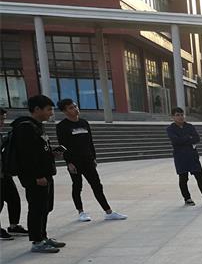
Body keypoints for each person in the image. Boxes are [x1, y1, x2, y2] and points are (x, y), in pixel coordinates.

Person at [55, 99, 127, 222]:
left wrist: (93, 158)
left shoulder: (84, 123)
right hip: (74, 162)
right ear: (65, 111)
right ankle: (81, 212)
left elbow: (90, 142)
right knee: (77, 186)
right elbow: (63, 146)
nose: (75, 109)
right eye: (71, 108)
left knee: (97, 185)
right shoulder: (62, 126)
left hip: (88, 160)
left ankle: (108, 212)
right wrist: (69, 163)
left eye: (75, 106)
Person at [9, 95, 65, 253]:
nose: (51, 113)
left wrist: (52, 153)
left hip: (45, 174)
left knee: (45, 207)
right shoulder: (25, 127)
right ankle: (37, 241)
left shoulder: (37, 126)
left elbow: (39, 150)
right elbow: (27, 156)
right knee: (37, 208)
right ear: (37, 109)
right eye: (49, 109)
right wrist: (38, 176)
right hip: (36, 177)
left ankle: (43, 236)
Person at [167, 107, 202, 206]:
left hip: (192, 156)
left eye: (182, 115)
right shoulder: (170, 129)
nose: (180, 117)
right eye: (177, 115)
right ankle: (187, 199)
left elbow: (197, 138)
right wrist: (188, 138)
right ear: (173, 117)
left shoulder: (190, 126)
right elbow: (175, 141)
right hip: (180, 157)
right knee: (183, 178)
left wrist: (183, 139)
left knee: (201, 177)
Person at [0, 108, 29, 240]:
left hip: (5, 174)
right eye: (0, 119)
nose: (2, 122)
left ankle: (13, 226)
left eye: (3, 119)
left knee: (14, 199)